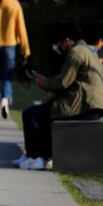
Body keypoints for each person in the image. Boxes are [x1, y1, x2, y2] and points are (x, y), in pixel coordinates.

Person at [15, 22, 103, 170]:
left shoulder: (76, 53)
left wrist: (45, 83)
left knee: (32, 115)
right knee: (41, 112)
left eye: (58, 44)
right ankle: (36, 156)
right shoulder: (84, 50)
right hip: (90, 104)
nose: (58, 48)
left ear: (67, 40)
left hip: (86, 106)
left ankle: (38, 157)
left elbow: (63, 82)